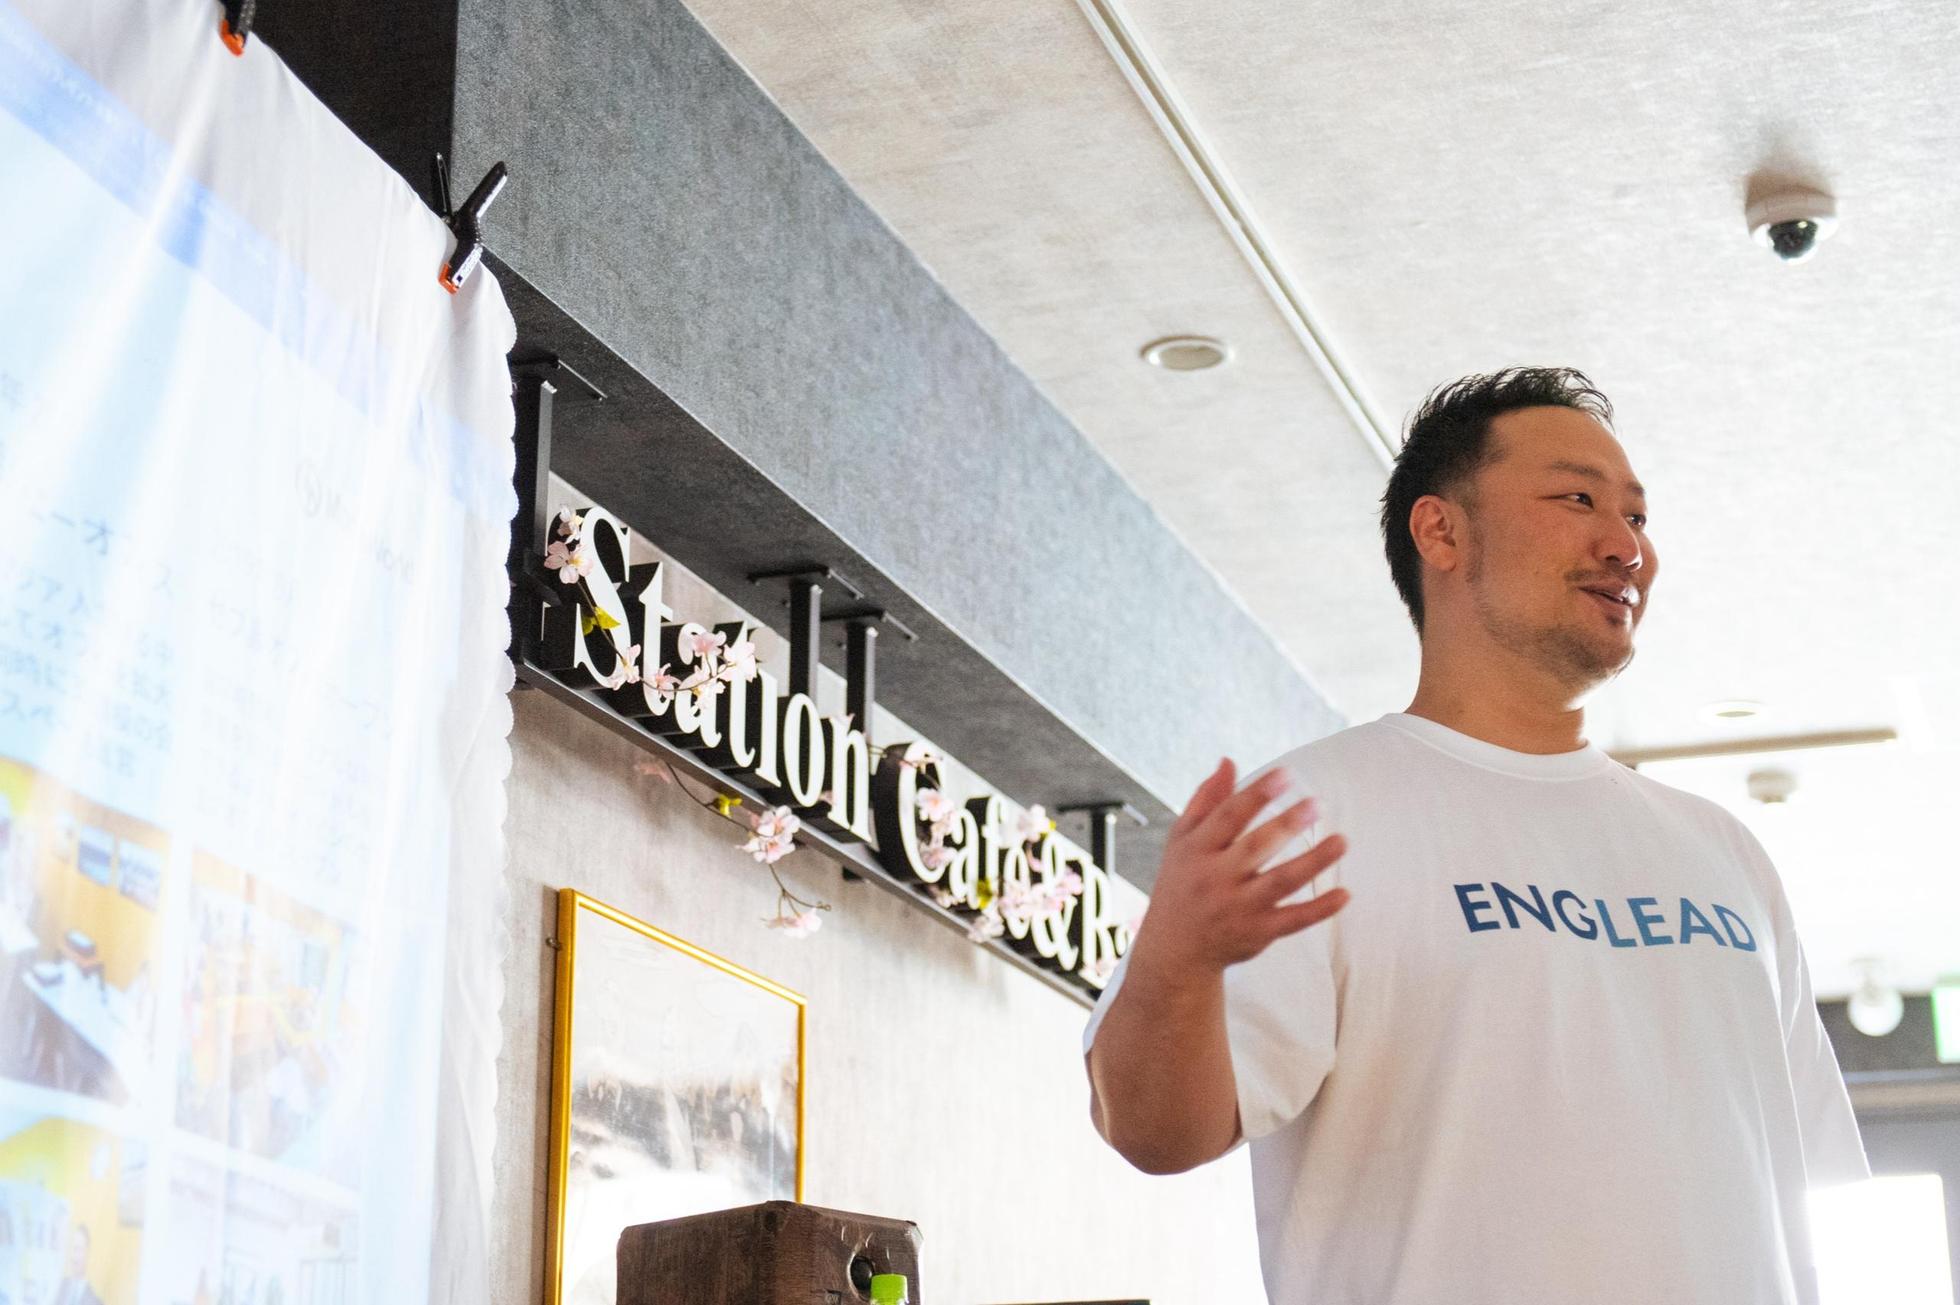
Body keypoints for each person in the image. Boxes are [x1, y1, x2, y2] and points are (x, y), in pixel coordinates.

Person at [1083, 368, 1867, 1303]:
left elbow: (1817, 1191)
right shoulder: (1309, 815)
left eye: (1638, 516)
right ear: (1441, 531)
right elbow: (1153, 1132)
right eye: (1578, 499)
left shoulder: (1725, 853)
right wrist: (1177, 962)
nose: (1628, 547)